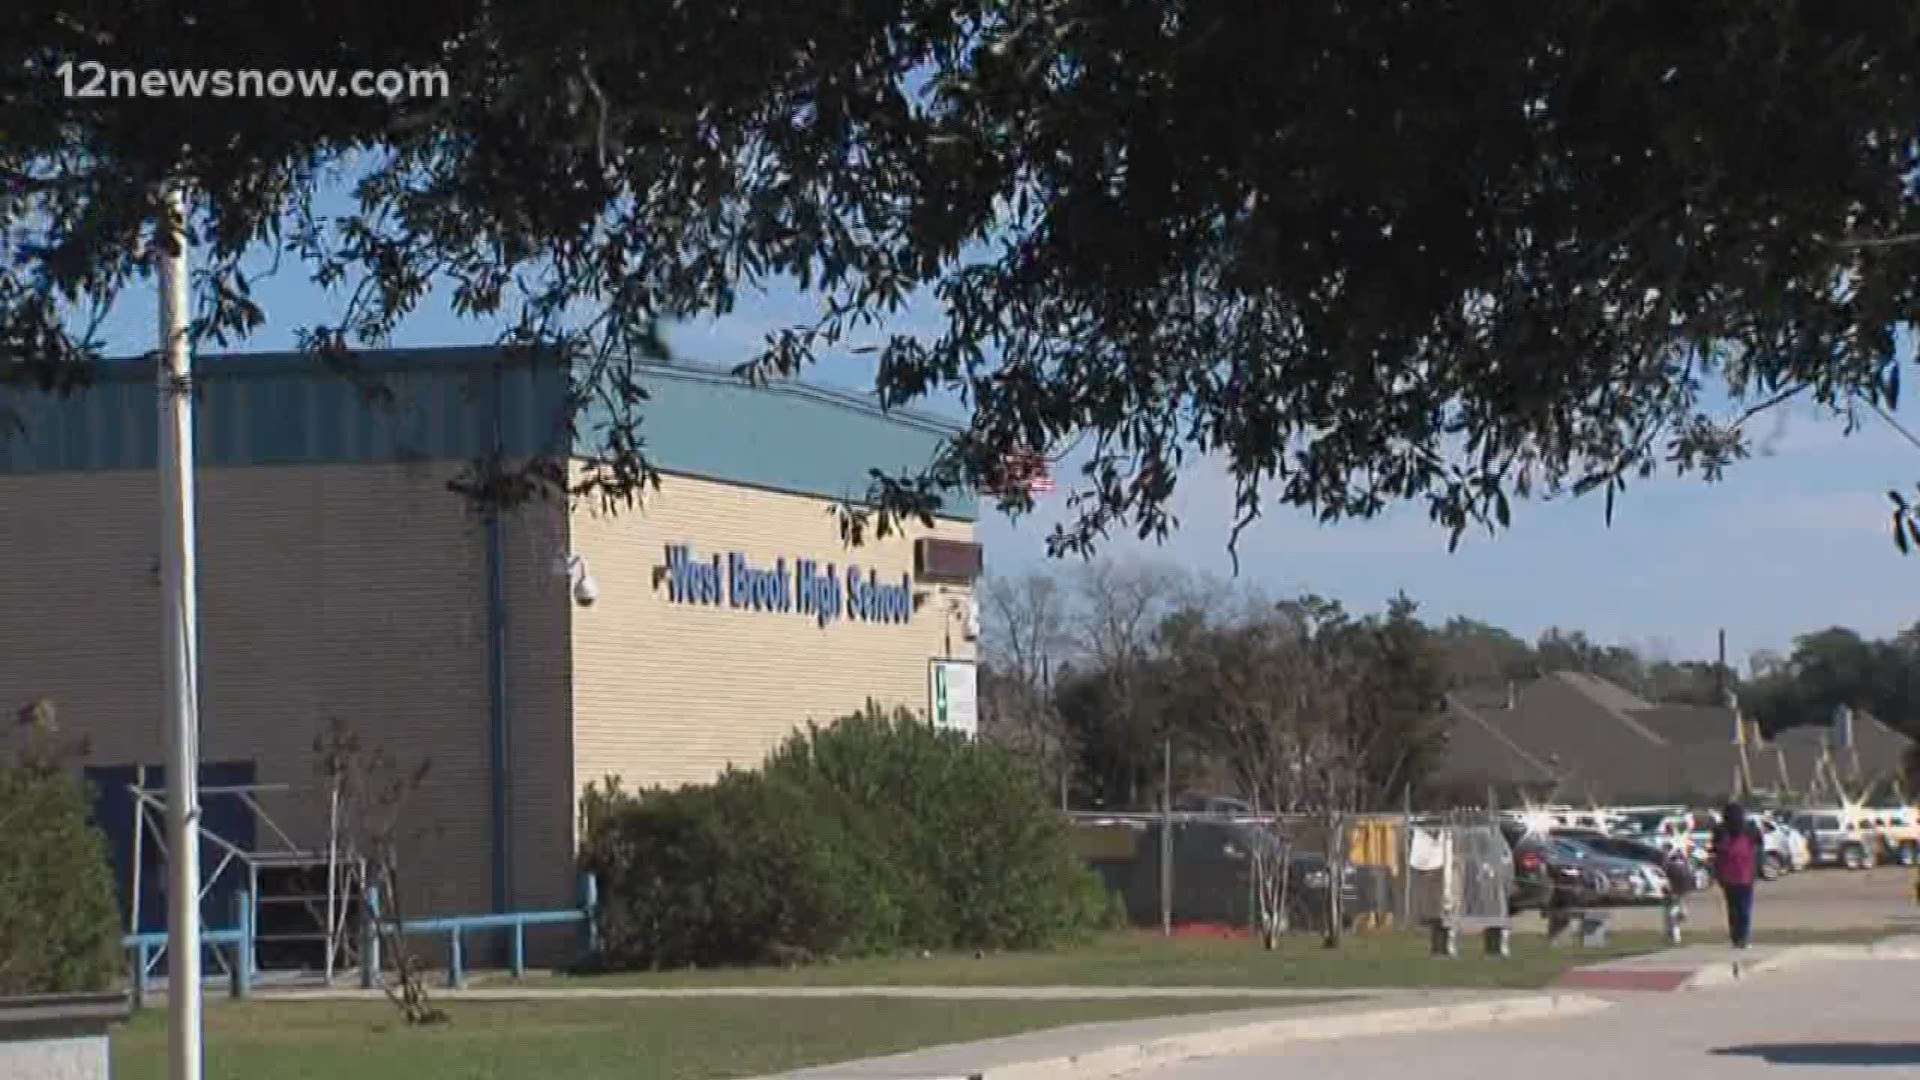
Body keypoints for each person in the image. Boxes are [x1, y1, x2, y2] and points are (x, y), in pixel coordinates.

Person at [1710, 802, 1764, 949]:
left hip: (1728, 875)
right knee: (1744, 908)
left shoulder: (1721, 830)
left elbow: (1715, 852)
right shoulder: (1750, 829)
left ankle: (1737, 937)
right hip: (1745, 874)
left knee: (1733, 908)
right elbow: (1759, 849)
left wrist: (1716, 873)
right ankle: (1743, 938)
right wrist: (1758, 869)